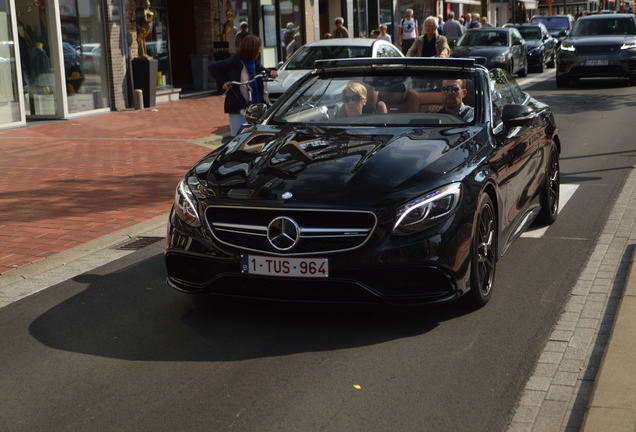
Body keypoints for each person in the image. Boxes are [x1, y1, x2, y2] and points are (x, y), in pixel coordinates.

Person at [208, 35, 278, 136]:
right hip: (238, 104)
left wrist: (269, 72)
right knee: (238, 135)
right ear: (251, 49)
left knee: (255, 135)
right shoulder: (234, 61)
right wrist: (223, 82)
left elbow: (260, 69)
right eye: (257, 48)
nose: (259, 51)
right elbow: (212, 67)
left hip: (255, 106)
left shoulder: (254, 61)